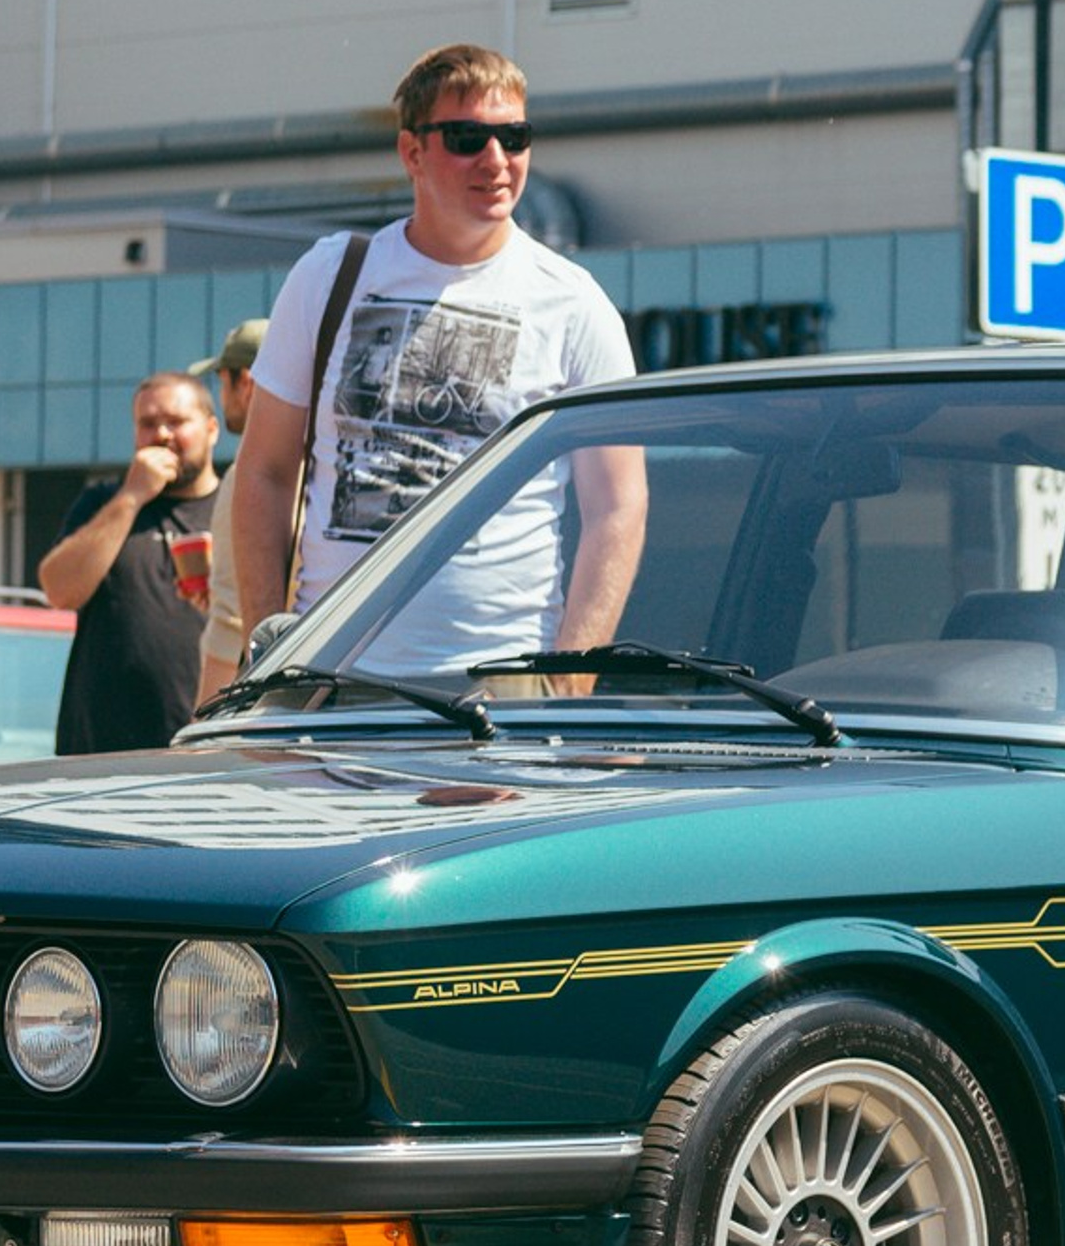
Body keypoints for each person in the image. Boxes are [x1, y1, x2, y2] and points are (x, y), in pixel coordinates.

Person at [230, 43, 645, 681]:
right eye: (466, 137)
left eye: (514, 136)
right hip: (325, 681)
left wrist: (569, 678)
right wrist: (265, 651)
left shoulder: (573, 302)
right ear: (412, 153)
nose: (496, 160)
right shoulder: (330, 274)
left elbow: (617, 506)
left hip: (500, 688)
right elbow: (263, 473)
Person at [39, 371, 221, 754]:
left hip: (202, 747)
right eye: (148, 424)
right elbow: (59, 590)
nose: (162, 435)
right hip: (100, 751)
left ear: (211, 429)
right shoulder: (104, 503)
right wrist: (133, 494)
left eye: (176, 421)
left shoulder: (236, 510)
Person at [189, 314, 266, 707]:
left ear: (247, 384)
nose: (222, 396)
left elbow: (230, 623)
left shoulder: (250, 477)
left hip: (257, 710)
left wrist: (202, 723)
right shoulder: (324, 465)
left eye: (222, 382)